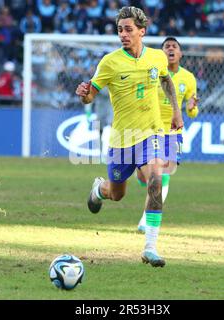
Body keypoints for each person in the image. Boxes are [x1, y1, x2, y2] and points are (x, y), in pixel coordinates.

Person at [76, 6, 183, 267]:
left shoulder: (157, 58)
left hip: (152, 132)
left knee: (157, 178)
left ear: (142, 31)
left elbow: (166, 81)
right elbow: (92, 93)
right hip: (122, 139)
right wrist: (84, 94)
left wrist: (177, 112)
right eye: (120, 30)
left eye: (128, 29)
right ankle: (99, 190)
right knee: (117, 194)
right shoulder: (110, 62)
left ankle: (150, 247)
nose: (123, 34)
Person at [136, 37, 199, 233]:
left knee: (164, 175)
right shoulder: (153, 72)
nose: (170, 49)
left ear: (180, 54)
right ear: (161, 52)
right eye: (166, 46)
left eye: (174, 47)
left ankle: (146, 220)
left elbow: (192, 111)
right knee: (145, 176)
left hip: (173, 132)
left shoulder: (188, 78)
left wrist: (191, 108)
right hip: (150, 128)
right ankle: (144, 179)